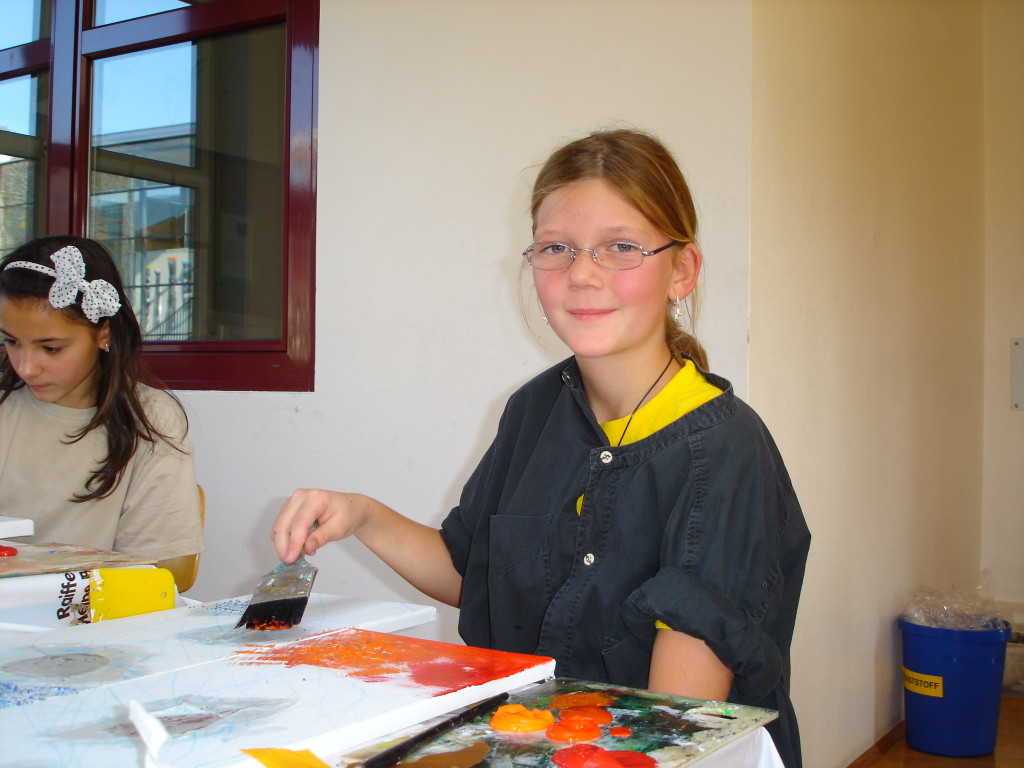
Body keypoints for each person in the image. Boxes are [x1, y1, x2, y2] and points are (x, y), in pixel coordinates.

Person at [270, 129, 810, 767]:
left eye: (621, 247)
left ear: (681, 271)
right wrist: (361, 515)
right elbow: (473, 575)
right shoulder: (534, 409)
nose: (582, 274)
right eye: (557, 248)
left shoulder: (723, 450)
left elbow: (666, 730)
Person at [0, 235, 204, 588]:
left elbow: (164, 567)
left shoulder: (152, 419)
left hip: (93, 610)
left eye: (51, 348)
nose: (26, 367)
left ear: (104, 333)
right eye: (11, 341)